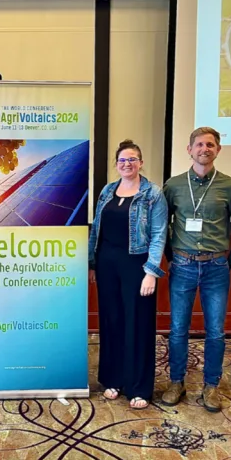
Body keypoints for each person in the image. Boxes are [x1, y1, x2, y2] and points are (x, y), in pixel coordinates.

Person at [161, 127, 231, 412]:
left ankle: (211, 386)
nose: (205, 149)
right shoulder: (173, 185)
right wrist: (170, 256)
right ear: (189, 150)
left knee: (215, 332)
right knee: (177, 330)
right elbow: (162, 225)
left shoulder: (230, 186)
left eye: (210, 145)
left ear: (218, 150)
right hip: (183, 266)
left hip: (216, 268)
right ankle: (176, 381)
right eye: (199, 144)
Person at [88, 140, 168, 409]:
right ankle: (113, 379)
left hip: (138, 266)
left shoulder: (153, 193)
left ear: (141, 163)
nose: (127, 164)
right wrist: (92, 263)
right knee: (112, 321)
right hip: (107, 264)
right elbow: (96, 229)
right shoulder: (108, 191)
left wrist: (151, 272)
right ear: (116, 164)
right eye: (122, 160)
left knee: (138, 324)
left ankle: (138, 387)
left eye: (132, 159)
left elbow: (159, 235)